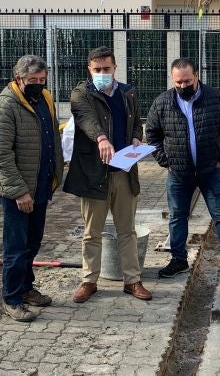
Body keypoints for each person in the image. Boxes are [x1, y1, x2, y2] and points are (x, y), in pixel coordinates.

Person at [63, 46, 152, 303]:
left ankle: (132, 280)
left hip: (124, 172)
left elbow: (136, 122)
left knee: (127, 230)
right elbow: (86, 119)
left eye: (106, 69)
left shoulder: (127, 92)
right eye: (97, 69)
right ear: (89, 69)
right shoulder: (81, 94)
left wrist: (136, 137)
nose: (102, 73)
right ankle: (89, 281)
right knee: (92, 232)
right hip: (94, 173)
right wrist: (101, 138)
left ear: (115, 68)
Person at [146, 58, 220, 280]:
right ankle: (178, 259)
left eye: (187, 81)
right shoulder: (162, 102)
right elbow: (152, 134)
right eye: (178, 82)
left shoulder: (216, 98)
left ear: (197, 76)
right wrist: (165, 161)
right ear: (172, 79)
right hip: (178, 172)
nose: (183, 86)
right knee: (177, 216)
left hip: (210, 170)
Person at [0, 54, 64, 322]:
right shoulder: (4, 107)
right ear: (18, 79)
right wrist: (20, 192)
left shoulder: (45, 99)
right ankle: (12, 299)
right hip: (17, 191)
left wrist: (54, 176)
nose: (39, 84)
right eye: (33, 80)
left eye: (42, 80)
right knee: (16, 247)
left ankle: (26, 288)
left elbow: (52, 137)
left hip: (40, 185)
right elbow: (0, 155)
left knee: (32, 243)